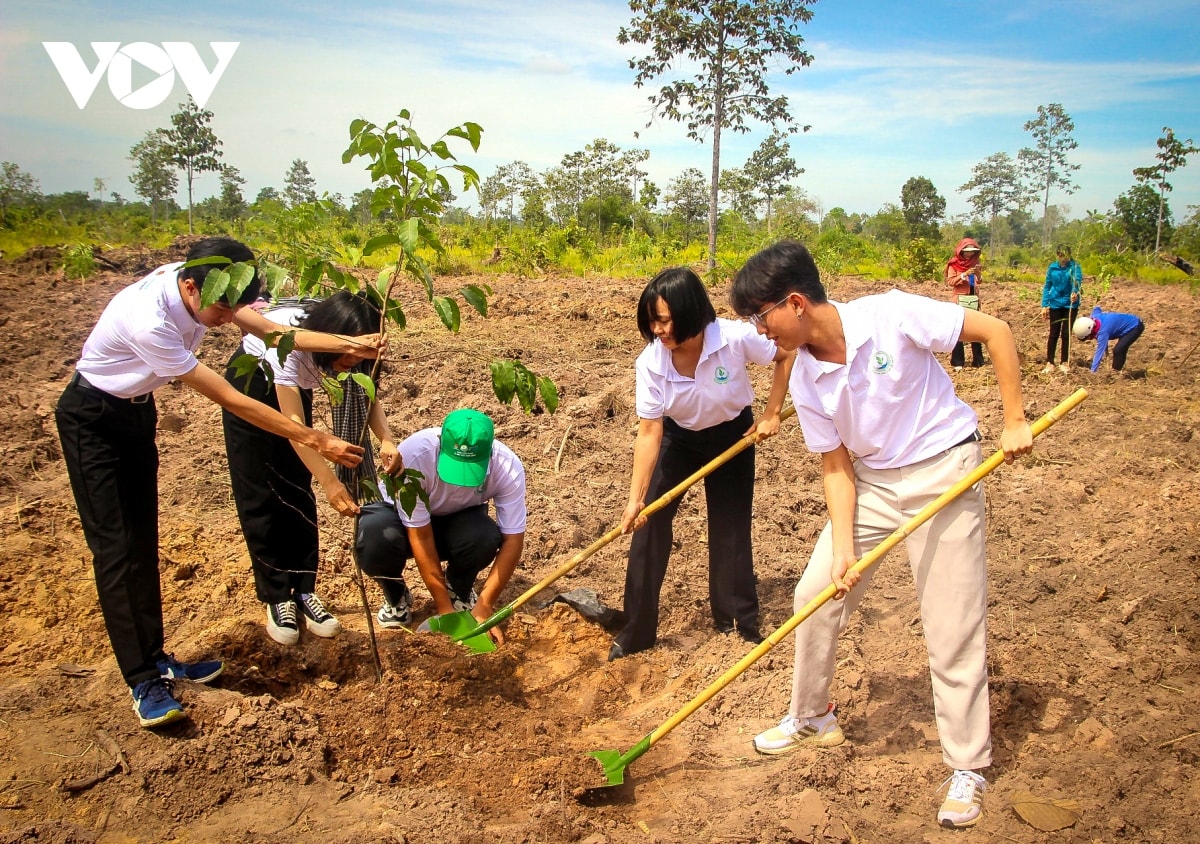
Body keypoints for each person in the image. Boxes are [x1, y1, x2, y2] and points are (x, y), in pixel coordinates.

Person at [730, 240, 1032, 830]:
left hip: (941, 468)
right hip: (871, 482)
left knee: (951, 625)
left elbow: (995, 331)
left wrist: (1014, 418)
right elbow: (836, 465)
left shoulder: (893, 314)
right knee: (814, 594)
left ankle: (967, 765)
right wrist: (844, 550)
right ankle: (812, 716)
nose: (757, 332)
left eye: (758, 318)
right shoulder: (804, 377)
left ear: (794, 304)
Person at [54, 237, 380, 729]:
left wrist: (351, 346)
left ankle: (157, 658)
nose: (231, 317)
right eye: (224, 309)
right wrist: (318, 440)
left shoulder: (212, 285)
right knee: (119, 550)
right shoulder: (150, 321)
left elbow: (270, 329)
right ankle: (143, 680)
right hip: (92, 422)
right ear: (190, 288)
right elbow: (233, 398)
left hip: (135, 415)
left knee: (142, 542)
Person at [609, 267, 793, 661]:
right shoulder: (652, 363)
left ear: (691, 311)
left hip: (733, 435)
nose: (657, 330)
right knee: (650, 522)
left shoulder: (734, 337)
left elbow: (786, 353)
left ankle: (737, 623)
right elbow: (649, 432)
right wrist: (634, 499)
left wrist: (772, 411)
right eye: (651, 322)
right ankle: (637, 630)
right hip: (679, 440)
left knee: (730, 525)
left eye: (663, 320)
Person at [222, 291, 402, 647]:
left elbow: (367, 391)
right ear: (334, 334)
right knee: (262, 489)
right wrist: (330, 481)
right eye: (350, 353)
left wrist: (386, 438)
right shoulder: (287, 346)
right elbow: (295, 428)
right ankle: (277, 596)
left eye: (360, 354)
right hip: (252, 386)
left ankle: (304, 589)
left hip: (294, 385)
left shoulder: (357, 343)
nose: (354, 360)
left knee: (296, 487)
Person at [355, 409, 525, 645]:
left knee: (483, 537)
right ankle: (395, 595)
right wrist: (444, 610)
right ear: (440, 444)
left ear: (490, 453)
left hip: (459, 520)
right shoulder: (414, 457)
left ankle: (459, 589)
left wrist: (485, 606)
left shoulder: (507, 467)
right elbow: (421, 536)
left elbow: (513, 540)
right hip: (400, 520)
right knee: (374, 537)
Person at [1040, 245, 1083, 373]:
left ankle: (1065, 362)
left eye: (1065, 255)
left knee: (1066, 334)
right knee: (1053, 333)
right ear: (1057, 255)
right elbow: (1047, 286)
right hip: (1055, 304)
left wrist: (1075, 293)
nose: (1062, 258)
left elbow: (1078, 282)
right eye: (1060, 255)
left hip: (1070, 305)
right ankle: (1050, 362)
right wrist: (1044, 305)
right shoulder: (1052, 268)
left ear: (1069, 255)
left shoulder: (1075, 267)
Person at [944, 238, 984, 370]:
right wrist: (964, 275)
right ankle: (958, 361)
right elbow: (950, 282)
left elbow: (979, 281)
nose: (969, 254)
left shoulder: (975, 263)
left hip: (973, 298)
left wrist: (977, 274)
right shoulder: (954, 265)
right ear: (961, 251)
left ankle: (978, 360)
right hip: (960, 299)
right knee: (958, 330)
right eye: (967, 252)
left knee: (977, 329)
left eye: (972, 252)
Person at [1073, 306, 1145, 374]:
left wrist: (1093, 371)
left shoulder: (1102, 333)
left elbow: (1099, 353)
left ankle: (1115, 373)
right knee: (1119, 349)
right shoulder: (1094, 317)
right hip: (1126, 325)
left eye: (1087, 337)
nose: (1088, 339)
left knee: (1119, 350)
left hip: (1135, 326)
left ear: (1090, 332)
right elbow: (1097, 308)